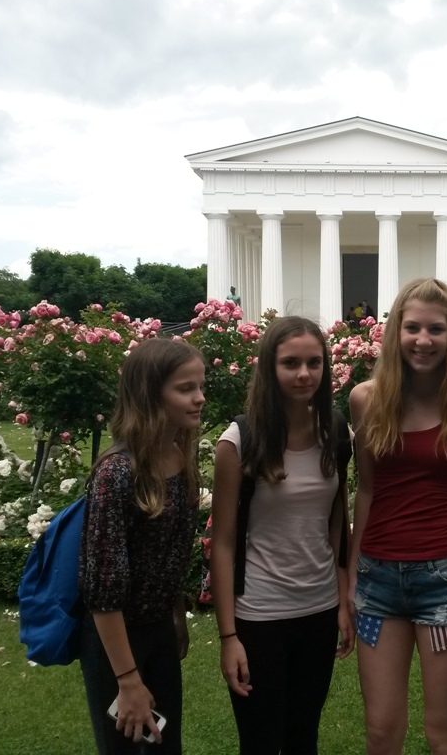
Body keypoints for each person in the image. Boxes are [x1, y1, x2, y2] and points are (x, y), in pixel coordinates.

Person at [349, 277, 447, 754]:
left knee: (444, 729)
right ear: (395, 331)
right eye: (412, 327)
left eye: (436, 329)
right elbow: (367, 490)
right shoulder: (366, 400)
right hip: (377, 583)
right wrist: (351, 579)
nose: (423, 340)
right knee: (381, 730)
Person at [210, 316, 354, 754]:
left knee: (302, 737)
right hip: (259, 615)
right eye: (291, 363)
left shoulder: (336, 432)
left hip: (319, 609)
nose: (304, 374)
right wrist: (228, 637)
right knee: (260, 741)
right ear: (269, 367)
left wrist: (343, 602)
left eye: (314, 362)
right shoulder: (239, 441)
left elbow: (336, 523)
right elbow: (223, 543)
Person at [79, 338, 206, 754]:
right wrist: (128, 679)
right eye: (185, 389)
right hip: (116, 641)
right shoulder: (116, 474)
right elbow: (102, 590)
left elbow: (170, 554)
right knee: (124, 746)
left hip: (159, 629)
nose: (199, 398)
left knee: (166, 744)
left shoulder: (179, 456)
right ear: (150, 395)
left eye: (200, 386)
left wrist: (176, 618)